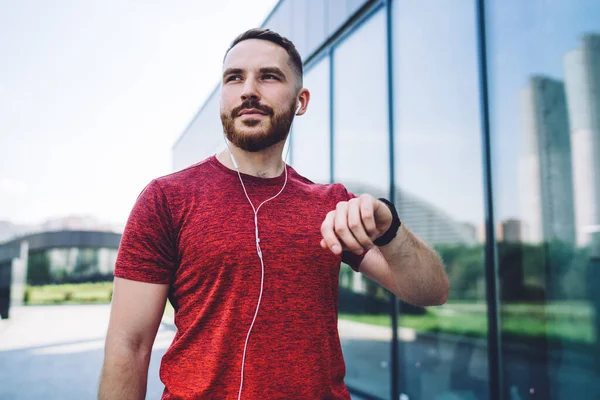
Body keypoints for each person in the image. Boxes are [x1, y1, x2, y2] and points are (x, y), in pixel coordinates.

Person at [98, 28, 449, 400]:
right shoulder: (166, 199)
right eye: (234, 77)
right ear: (223, 96)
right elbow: (129, 345)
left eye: (268, 76)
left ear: (301, 100)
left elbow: (431, 292)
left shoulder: (330, 205)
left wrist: (388, 227)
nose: (249, 89)